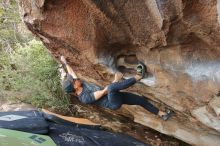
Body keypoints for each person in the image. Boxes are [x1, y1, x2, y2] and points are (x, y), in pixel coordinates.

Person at [60, 56, 173, 121]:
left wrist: (65, 63)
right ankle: (139, 76)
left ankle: (162, 114)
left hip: (114, 96)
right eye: (74, 81)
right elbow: (105, 91)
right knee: (112, 87)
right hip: (113, 103)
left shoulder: (80, 84)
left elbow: (71, 73)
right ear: (75, 87)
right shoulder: (84, 98)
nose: (75, 79)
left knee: (140, 100)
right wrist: (116, 79)